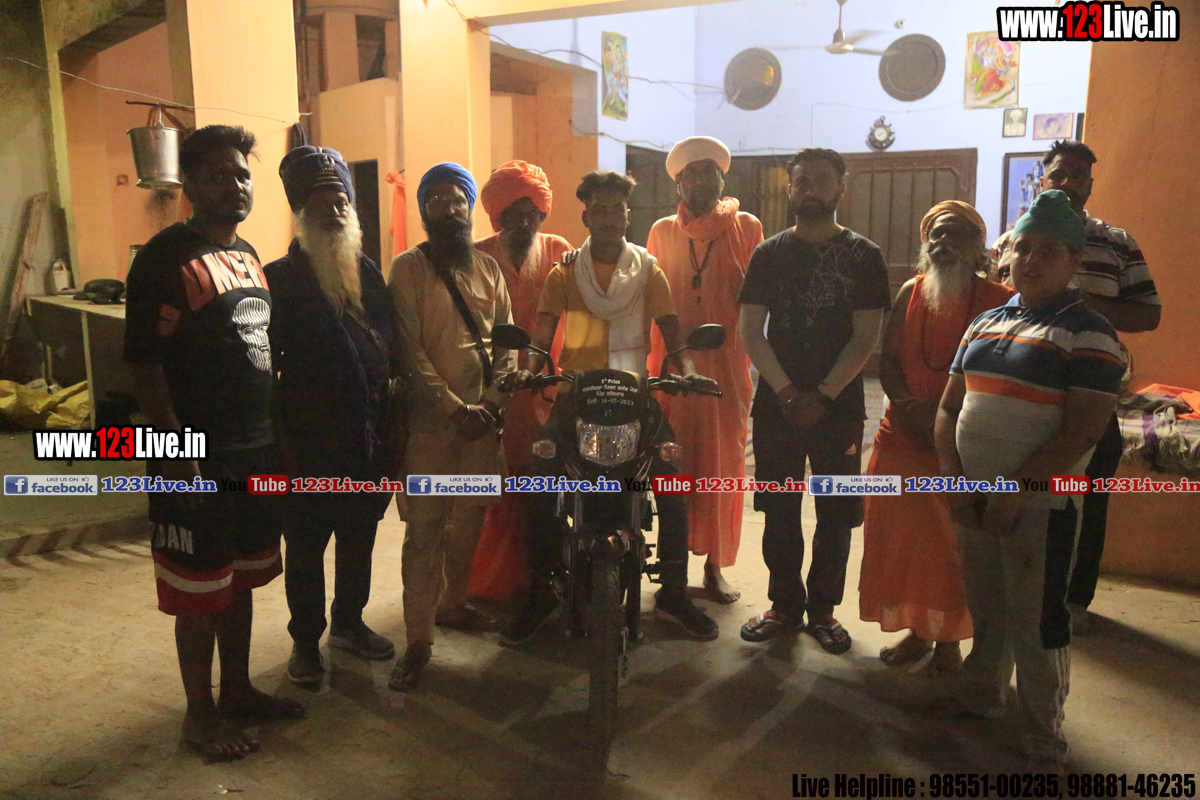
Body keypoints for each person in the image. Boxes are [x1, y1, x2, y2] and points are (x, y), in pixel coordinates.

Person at [123, 125, 303, 760]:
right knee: (199, 592)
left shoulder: (248, 255)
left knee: (240, 580)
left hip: (253, 455)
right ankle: (199, 716)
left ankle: (239, 691)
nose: (236, 185)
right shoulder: (162, 259)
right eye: (220, 175)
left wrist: (276, 442)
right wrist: (175, 456)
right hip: (194, 459)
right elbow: (143, 364)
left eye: (243, 174)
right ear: (191, 186)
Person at [935, 189, 1126, 772]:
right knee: (987, 605)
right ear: (1006, 254)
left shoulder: (1091, 333)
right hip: (975, 496)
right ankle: (982, 695)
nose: (1031, 260)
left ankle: (1044, 732)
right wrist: (957, 483)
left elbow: (1084, 429)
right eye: (1023, 248)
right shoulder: (985, 322)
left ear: (1073, 262)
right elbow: (949, 409)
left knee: (1038, 619)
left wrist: (1017, 487)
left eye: (1048, 251)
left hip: (1042, 504)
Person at [500, 170, 721, 645]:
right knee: (538, 481)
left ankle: (674, 593)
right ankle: (542, 590)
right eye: (597, 209)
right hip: (575, 396)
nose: (606, 217)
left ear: (627, 215)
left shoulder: (648, 271)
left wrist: (687, 370)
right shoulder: (565, 272)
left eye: (615, 209)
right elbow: (541, 336)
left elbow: (672, 332)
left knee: (672, 480)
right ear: (585, 217)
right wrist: (528, 369)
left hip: (635, 397)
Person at [991, 140, 1159, 634]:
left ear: (1090, 185)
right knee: (1014, 488)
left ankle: (1073, 601)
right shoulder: (1011, 241)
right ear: (1042, 180)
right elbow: (991, 306)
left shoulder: (1117, 242)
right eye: (1058, 174)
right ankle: (1008, 595)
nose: (1067, 183)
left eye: (1078, 176)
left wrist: (1078, 303)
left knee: (1084, 498)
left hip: (1090, 393)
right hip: (1016, 392)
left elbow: (1149, 314)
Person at [737, 148, 889, 654]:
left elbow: (865, 337)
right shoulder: (769, 254)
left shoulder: (864, 255)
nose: (810, 190)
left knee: (836, 510)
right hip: (776, 405)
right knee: (778, 507)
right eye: (801, 182)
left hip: (838, 406)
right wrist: (786, 392)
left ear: (840, 187)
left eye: (821, 181)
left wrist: (823, 395)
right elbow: (750, 332)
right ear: (790, 189)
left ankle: (823, 610)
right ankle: (783, 605)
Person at [858, 201, 1013, 674]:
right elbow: (887, 360)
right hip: (903, 434)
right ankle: (918, 631)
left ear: (979, 248)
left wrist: (946, 422)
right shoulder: (911, 290)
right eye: (937, 235)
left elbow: (1003, 374)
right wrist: (909, 409)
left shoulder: (1001, 300)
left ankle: (949, 643)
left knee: (952, 548)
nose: (944, 243)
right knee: (904, 544)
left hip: (965, 439)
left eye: (957, 234)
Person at [264, 146, 400, 686]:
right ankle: (305, 642)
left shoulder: (366, 271)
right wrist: (281, 442)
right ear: (301, 213)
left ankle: (348, 622)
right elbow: (266, 367)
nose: (335, 212)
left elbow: (389, 343)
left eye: (342, 201)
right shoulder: (279, 278)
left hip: (366, 439)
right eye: (322, 203)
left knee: (359, 537)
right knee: (305, 547)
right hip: (307, 443)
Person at [387, 162, 515, 691]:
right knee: (424, 532)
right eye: (435, 199)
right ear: (423, 209)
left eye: (456, 198)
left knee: (468, 523)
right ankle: (418, 641)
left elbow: (508, 343)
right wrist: (454, 408)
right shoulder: (407, 269)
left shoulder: (488, 268)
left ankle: (454, 604)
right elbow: (409, 350)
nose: (447, 208)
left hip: (481, 428)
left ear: (469, 206)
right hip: (431, 430)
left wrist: (492, 402)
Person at [647, 136, 764, 605]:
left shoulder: (747, 226)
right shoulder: (661, 231)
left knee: (723, 467)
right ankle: (672, 568)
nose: (700, 181)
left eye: (708, 172)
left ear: (722, 179)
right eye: (690, 174)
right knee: (673, 467)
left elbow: (757, 299)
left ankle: (715, 567)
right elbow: (648, 293)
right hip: (673, 366)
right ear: (678, 184)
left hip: (725, 369)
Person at [470, 161, 573, 602]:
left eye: (533, 213)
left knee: (542, 489)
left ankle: (543, 580)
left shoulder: (560, 251)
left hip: (547, 390)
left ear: (543, 214)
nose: (525, 222)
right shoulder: (477, 255)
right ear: (498, 216)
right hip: (493, 391)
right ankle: (493, 583)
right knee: (495, 489)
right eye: (514, 213)